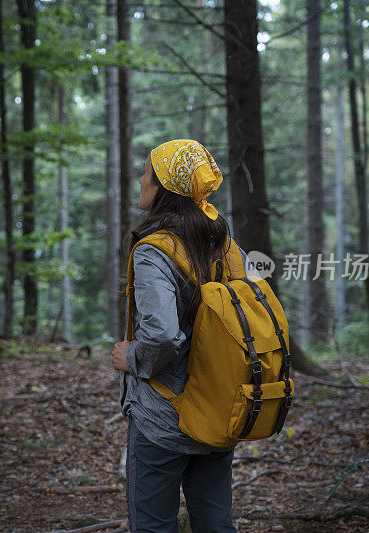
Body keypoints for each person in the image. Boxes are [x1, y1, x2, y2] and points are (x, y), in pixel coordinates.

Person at [111, 139, 247, 532]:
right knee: (216, 523)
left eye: (147, 175)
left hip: (163, 418)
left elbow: (164, 336)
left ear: (164, 189)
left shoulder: (155, 252)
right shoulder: (224, 243)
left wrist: (130, 357)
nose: (140, 180)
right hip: (220, 405)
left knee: (153, 525)